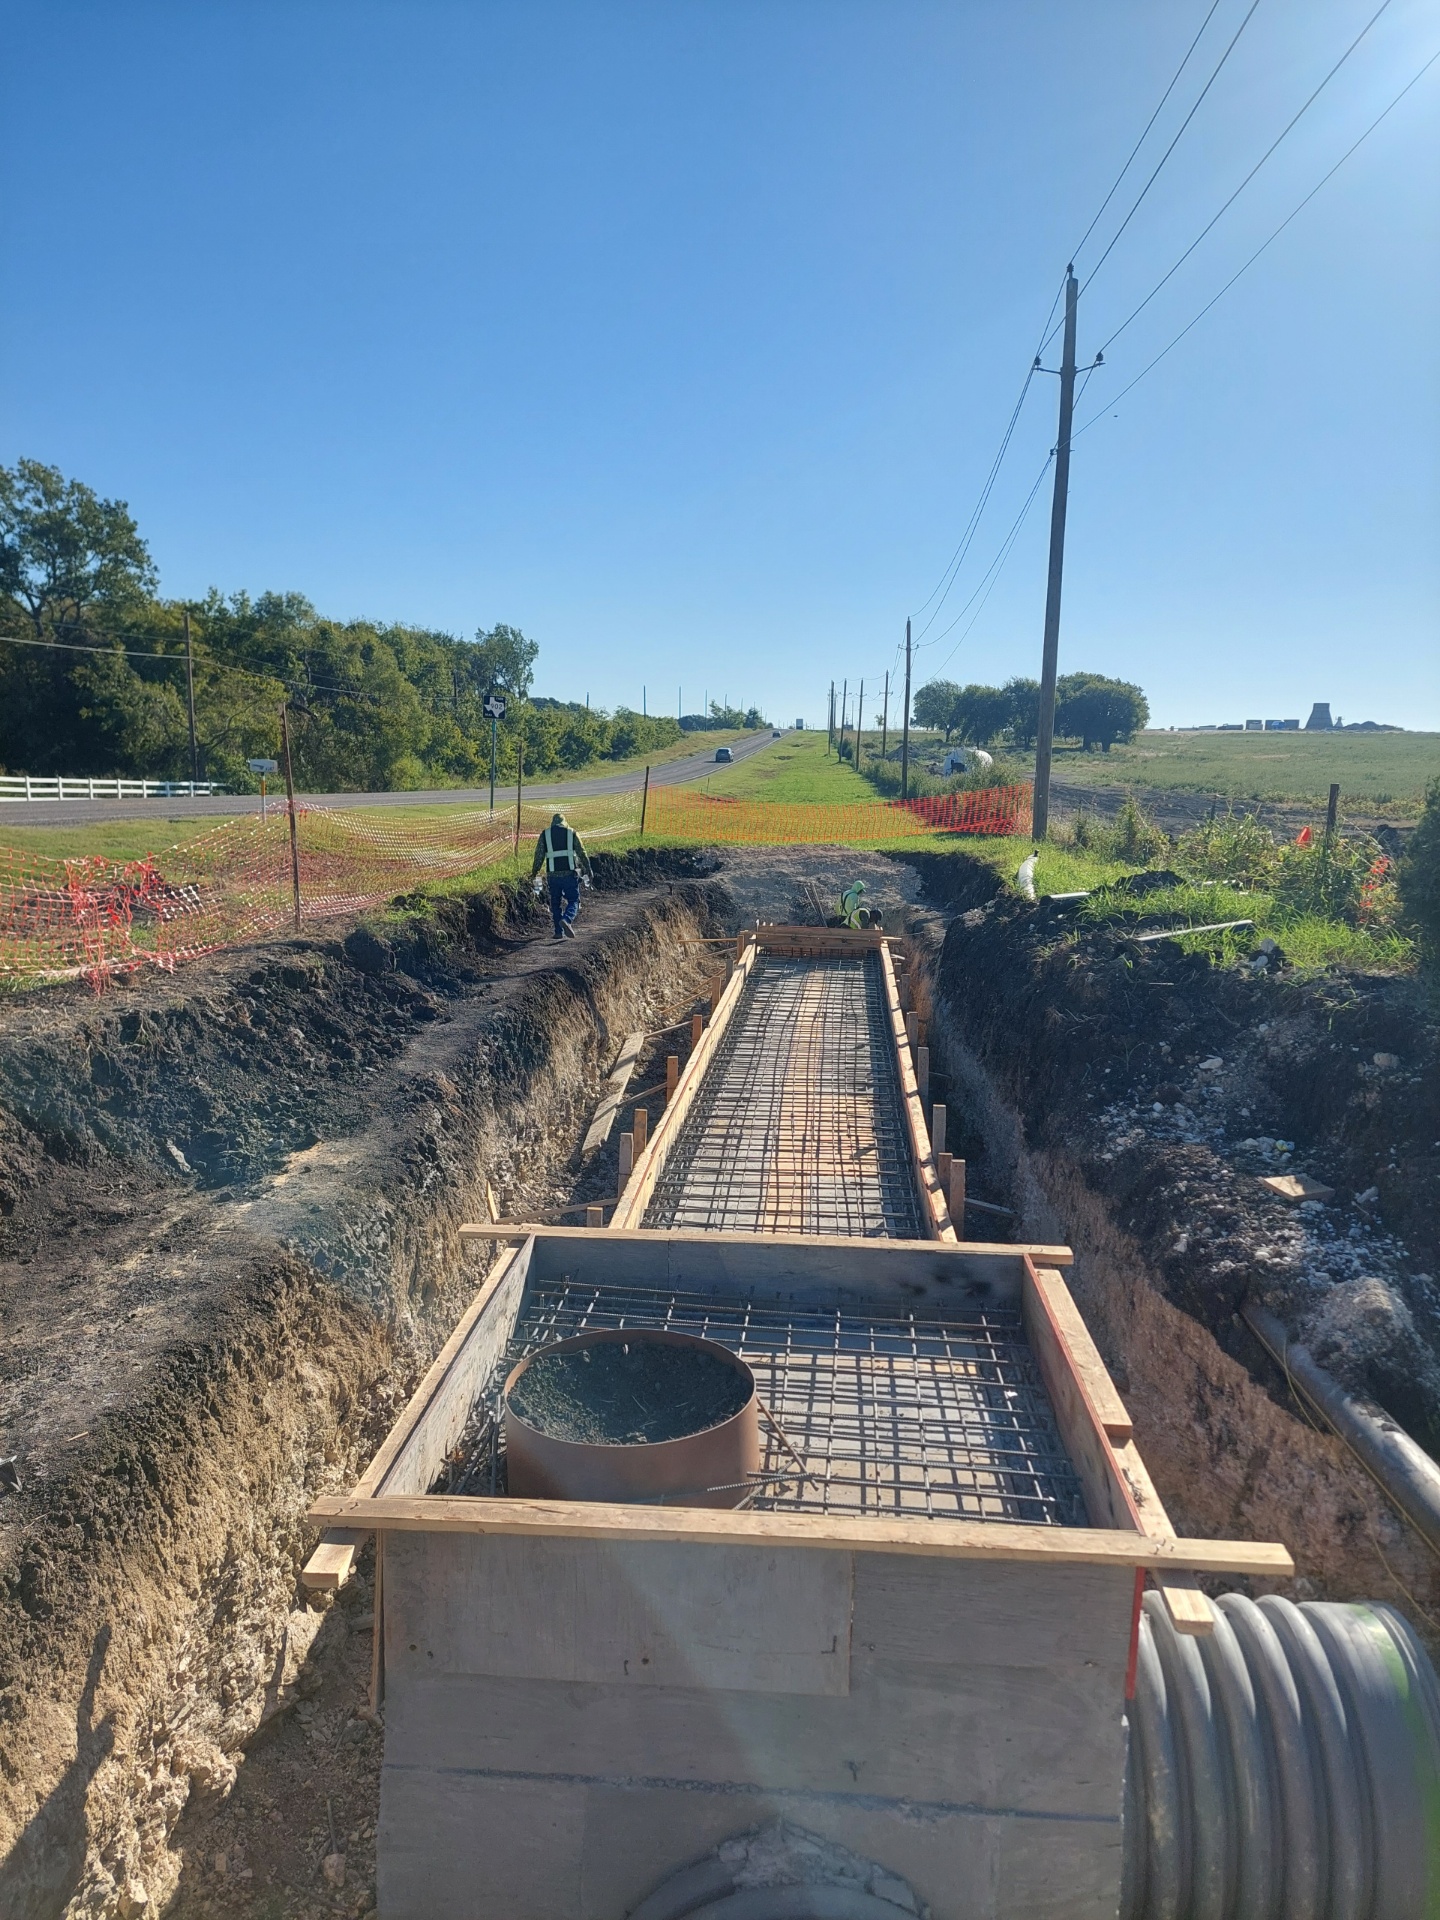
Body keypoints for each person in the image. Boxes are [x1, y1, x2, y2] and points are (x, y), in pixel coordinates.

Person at [531, 810, 594, 939]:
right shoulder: (572, 833)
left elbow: (538, 856)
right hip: (569, 875)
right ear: (565, 822)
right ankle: (567, 919)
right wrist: (588, 869)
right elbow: (582, 852)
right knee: (573, 900)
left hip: (553, 876)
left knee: (555, 903)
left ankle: (558, 932)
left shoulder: (545, 834)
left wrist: (535, 872)